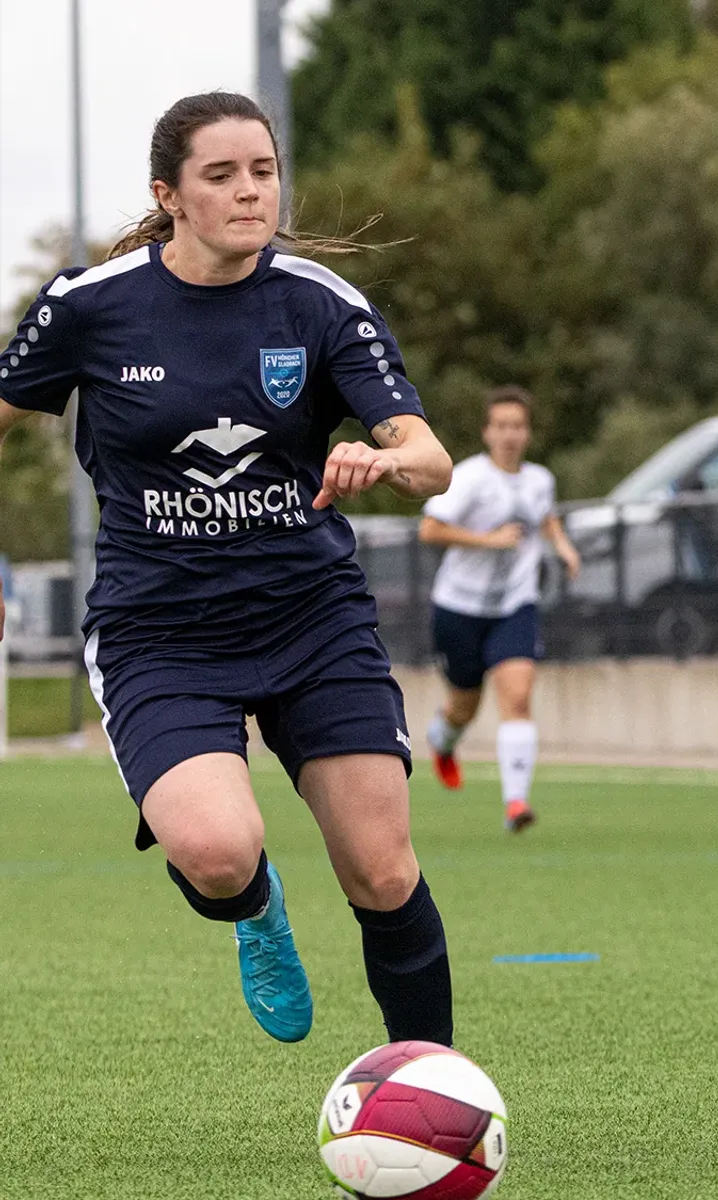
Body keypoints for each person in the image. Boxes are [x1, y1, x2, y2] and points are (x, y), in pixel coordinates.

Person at [0, 93, 457, 1048]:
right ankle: (255, 907)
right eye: (221, 175)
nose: (251, 191)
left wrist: (384, 460)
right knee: (217, 852)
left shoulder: (320, 304)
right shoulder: (90, 306)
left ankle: (427, 1085)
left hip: (311, 619)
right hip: (159, 631)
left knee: (382, 871)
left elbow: (431, 461)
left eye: (263, 170)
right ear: (168, 195)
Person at [418, 386, 580, 831]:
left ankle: (516, 804)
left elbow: (545, 516)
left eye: (518, 426)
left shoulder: (540, 480)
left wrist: (563, 546)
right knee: (464, 707)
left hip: (515, 605)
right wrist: (487, 540)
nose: (510, 434)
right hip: (459, 607)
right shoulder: (469, 478)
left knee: (518, 697)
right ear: (487, 432)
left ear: (528, 433)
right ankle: (443, 741)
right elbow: (429, 530)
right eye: (502, 426)